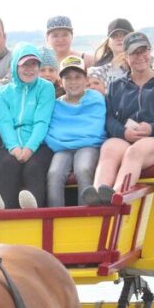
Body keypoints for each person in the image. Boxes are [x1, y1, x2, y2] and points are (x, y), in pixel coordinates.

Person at [85, 32, 154, 205]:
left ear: (149, 51)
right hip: (126, 136)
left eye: (143, 51)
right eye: (134, 53)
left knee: (134, 152)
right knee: (109, 148)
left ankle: (116, 196)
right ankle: (97, 196)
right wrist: (123, 132)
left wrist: (153, 128)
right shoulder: (116, 85)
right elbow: (108, 118)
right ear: (126, 57)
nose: (140, 57)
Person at [0, 43, 56, 210]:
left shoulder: (46, 88)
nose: (29, 69)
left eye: (33, 64)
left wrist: (29, 148)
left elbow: (42, 121)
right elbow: (4, 123)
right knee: (7, 164)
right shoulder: (2, 93)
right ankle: (3, 211)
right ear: (15, 66)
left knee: (33, 167)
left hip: (38, 144)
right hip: (10, 145)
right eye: (24, 64)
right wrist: (14, 148)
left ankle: (33, 209)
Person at [44, 56, 106, 207]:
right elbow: (53, 132)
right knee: (54, 173)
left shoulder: (95, 99)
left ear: (86, 80)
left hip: (88, 146)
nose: (73, 82)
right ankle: (55, 216)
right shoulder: (56, 104)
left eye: (78, 77)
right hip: (62, 148)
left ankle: (86, 214)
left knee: (83, 169)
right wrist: (68, 140)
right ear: (61, 81)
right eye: (68, 78)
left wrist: (70, 137)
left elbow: (94, 128)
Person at [89, 18, 134, 89]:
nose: (119, 38)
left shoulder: (147, 62)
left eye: (124, 34)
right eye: (114, 35)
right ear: (108, 42)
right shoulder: (98, 70)